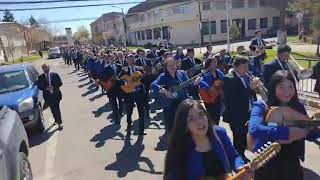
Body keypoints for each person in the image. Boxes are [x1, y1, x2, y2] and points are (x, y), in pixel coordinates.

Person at [248, 70, 320, 180]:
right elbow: (254, 129)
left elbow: (309, 134)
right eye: (282, 87)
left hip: (292, 161)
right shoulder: (261, 106)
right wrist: (287, 133)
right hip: (267, 161)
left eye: (290, 87)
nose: (287, 92)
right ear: (273, 87)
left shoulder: (298, 107)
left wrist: (315, 127)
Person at [164, 99, 250, 180]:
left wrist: (239, 166)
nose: (199, 122)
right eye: (191, 119)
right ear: (185, 125)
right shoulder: (181, 146)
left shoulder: (219, 133)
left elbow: (233, 156)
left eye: (201, 115)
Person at [223, 56, 259, 161]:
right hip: (236, 115)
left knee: (245, 136)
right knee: (238, 137)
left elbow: (250, 94)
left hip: (248, 112)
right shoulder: (228, 78)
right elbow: (235, 98)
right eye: (244, 67)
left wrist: (256, 89)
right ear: (235, 67)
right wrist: (250, 88)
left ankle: (243, 153)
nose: (246, 69)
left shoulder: (247, 76)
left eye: (247, 67)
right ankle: (239, 159)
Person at [152, 57, 193, 134]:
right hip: (169, 106)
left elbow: (190, 86)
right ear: (166, 67)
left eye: (173, 64)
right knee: (172, 129)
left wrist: (195, 83)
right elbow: (153, 85)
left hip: (182, 105)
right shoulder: (163, 76)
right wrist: (164, 91)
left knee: (184, 127)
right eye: (169, 65)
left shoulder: (182, 73)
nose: (172, 67)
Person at [118, 54, 146, 136]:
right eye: (130, 60)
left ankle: (142, 130)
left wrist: (141, 80)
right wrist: (126, 82)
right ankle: (129, 127)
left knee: (141, 112)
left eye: (133, 60)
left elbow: (145, 79)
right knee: (129, 112)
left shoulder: (139, 69)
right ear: (127, 61)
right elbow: (118, 79)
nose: (131, 61)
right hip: (129, 94)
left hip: (139, 94)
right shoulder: (124, 70)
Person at [198, 57, 224, 125]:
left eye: (216, 62)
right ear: (209, 64)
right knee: (211, 117)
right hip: (209, 99)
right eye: (213, 62)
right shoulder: (205, 73)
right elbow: (200, 81)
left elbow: (224, 80)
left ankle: (216, 129)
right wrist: (208, 88)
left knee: (217, 116)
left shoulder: (218, 72)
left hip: (218, 97)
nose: (215, 63)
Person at [37, 63, 63, 129]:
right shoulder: (41, 77)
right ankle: (56, 120)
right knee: (52, 109)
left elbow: (60, 83)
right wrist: (46, 88)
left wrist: (53, 87)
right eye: (44, 68)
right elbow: (39, 86)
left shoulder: (55, 75)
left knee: (57, 108)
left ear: (49, 67)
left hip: (56, 95)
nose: (45, 69)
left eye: (46, 67)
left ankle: (60, 123)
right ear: (42, 69)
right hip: (48, 97)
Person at [102, 53, 123, 123]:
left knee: (120, 100)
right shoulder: (106, 68)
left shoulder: (119, 66)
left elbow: (122, 75)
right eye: (110, 58)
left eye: (113, 58)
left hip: (119, 87)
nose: (112, 60)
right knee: (113, 102)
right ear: (108, 59)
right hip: (111, 88)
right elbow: (104, 78)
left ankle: (120, 111)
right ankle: (116, 115)